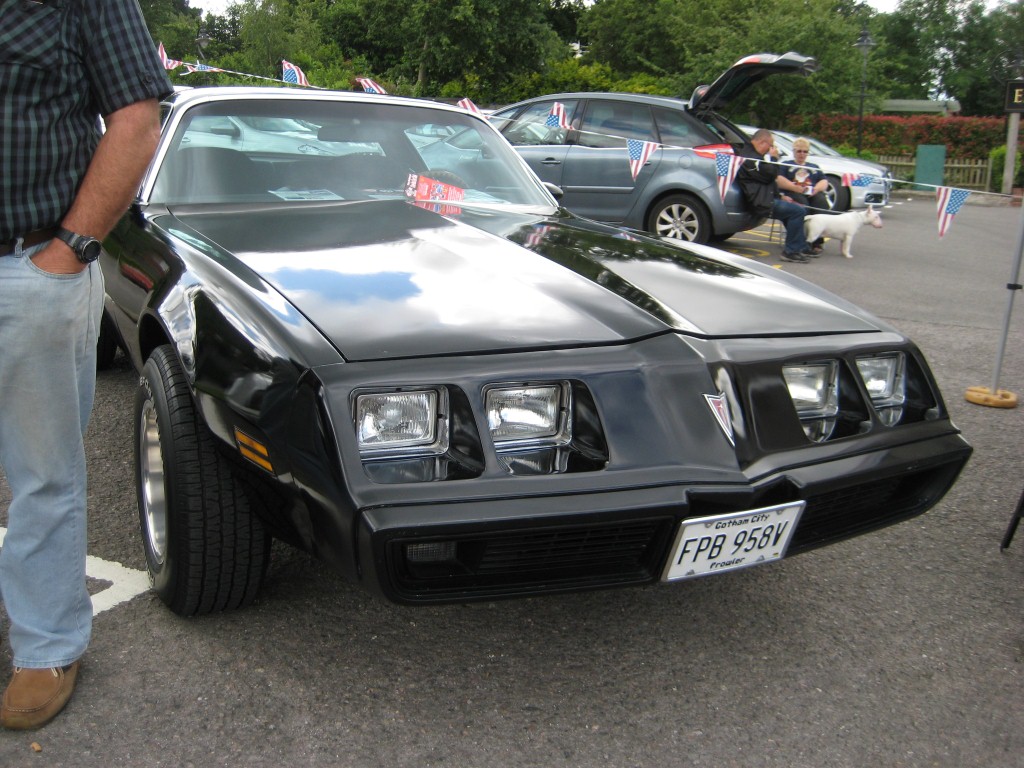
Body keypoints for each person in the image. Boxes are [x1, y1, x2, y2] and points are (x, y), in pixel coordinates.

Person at [0, 0, 171, 730]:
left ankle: (47, 646)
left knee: (44, 475)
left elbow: (136, 116)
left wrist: (68, 250)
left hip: (30, 265)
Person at [736, 128, 814, 263]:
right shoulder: (751, 158)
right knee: (797, 212)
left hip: (766, 197)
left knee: (794, 209)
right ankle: (791, 251)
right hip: (760, 202)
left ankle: (799, 245)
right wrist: (774, 158)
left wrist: (780, 196)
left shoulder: (753, 156)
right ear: (762, 142)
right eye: (771, 145)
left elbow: (767, 180)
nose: (771, 149)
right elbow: (771, 174)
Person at [780, 137, 832, 253]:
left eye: (805, 151)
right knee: (803, 205)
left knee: (821, 203)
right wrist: (794, 187)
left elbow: (824, 181)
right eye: (799, 151)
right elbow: (778, 180)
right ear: (793, 152)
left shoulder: (813, 167)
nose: (802, 154)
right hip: (793, 192)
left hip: (811, 192)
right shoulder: (785, 165)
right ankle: (802, 241)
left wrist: (816, 189)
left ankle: (817, 241)